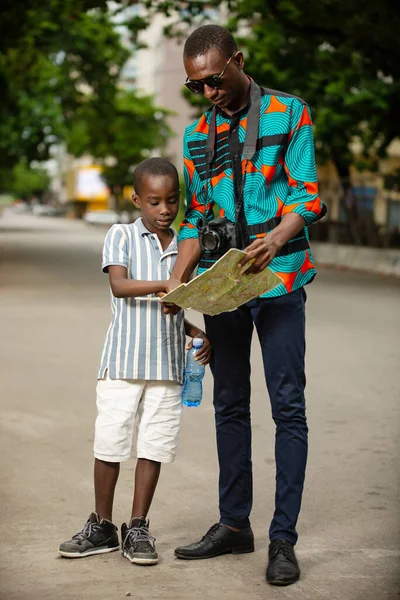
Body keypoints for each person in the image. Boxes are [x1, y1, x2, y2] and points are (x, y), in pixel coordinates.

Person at [168, 25, 327, 586]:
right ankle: (235, 526)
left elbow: (307, 194)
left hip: (279, 277)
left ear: (237, 61)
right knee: (229, 405)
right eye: (195, 86)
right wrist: (179, 282)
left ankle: (283, 539)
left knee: (288, 407)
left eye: (213, 80)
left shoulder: (290, 113)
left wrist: (277, 238)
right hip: (223, 284)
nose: (208, 93)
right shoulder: (196, 136)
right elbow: (193, 218)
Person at [58, 158, 211, 565]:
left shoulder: (185, 245)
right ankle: (102, 526)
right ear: (137, 199)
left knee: (154, 445)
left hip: (166, 369)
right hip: (123, 364)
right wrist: (168, 283)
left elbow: (174, 307)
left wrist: (195, 333)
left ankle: (138, 527)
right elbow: (119, 284)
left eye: (172, 201)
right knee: (111, 441)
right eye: (155, 201)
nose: (164, 210)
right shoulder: (121, 234)